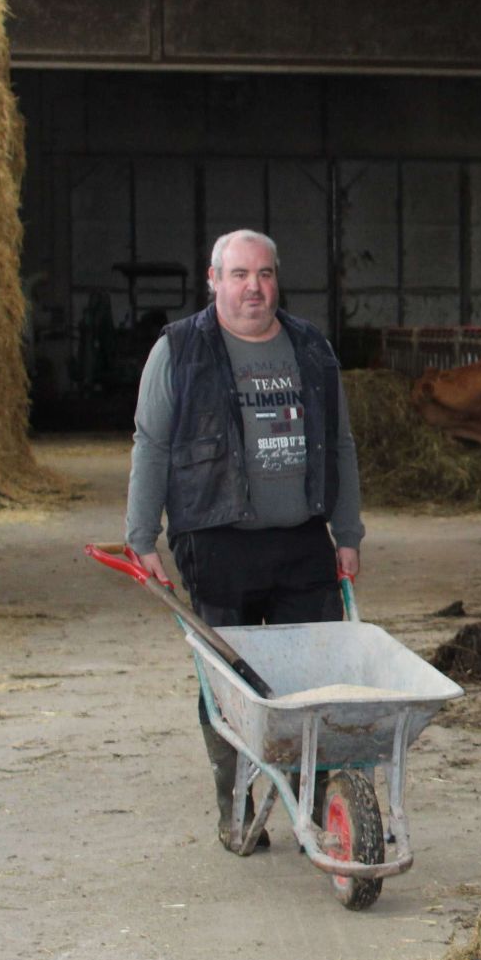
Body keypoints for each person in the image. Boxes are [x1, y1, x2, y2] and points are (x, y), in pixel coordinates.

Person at [124, 230, 365, 852]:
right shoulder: (178, 351)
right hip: (218, 541)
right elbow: (150, 445)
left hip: (302, 541)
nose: (253, 287)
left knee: (316, 681)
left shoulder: (310, 347)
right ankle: (236, 807)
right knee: (228, 685)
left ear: (276, 280)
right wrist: (140, 534)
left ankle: (317, 805)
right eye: (238, 275)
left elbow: (339, 443)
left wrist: (348, 530)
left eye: (264, 274)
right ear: (213, 279)